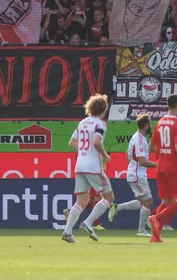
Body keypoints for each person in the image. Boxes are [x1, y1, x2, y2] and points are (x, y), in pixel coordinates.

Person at [61, 94, 114, 243]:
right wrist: (104, 155)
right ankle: (88, 223)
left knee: (82, 201)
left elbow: (72, 142)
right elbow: (97, 142)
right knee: (109, 198)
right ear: (103, 109)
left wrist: (84, 151)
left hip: (80, 165)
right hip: (93, 166)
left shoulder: (82, 123)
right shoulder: (100, 124)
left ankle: (67, 232)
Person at [149, 94, 177, 243]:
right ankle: (156, 218)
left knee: (167, 201)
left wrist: (162, 155)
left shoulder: (160, 123)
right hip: (174, 168)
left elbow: (151, 147)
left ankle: (155, 236)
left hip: (161, 167)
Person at [108, 114, 157, 236]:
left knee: (142, 202)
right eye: (150, 124)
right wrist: (158, 165)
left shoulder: (136, 137)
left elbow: (126, 154)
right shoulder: (140, 140)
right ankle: (141, 230)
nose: (151, 126)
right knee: (148, 202)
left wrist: (131, 167)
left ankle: (116, 207)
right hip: (137, 175)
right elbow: (142, 161)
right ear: (146, 125)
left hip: (134, 174)